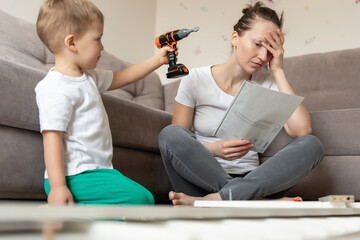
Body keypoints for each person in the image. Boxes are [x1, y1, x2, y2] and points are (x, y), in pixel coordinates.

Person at [158, 2, 324, 206]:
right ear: (235, 38)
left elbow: (302, 130)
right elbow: (178, 144)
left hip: (251, 180)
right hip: (200, 183)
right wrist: (216, 149)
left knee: (312, 145)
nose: (263, 57)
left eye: (271, 50)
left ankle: (223, 199)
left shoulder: (268, 83)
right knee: (169, 134)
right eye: (258, 44)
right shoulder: (195, 79)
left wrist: (278, 70)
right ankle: (253, 201)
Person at [35, 0, 173, 205]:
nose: (102, 46)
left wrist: (156, 60)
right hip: (74, 175)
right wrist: (58, 187)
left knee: (144, 199)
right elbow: (52, 138)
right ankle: (69, 218)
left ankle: (79, 218)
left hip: (99, 170)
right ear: (72, 43)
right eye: (97, 39)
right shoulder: (55, 87)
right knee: (142, 200)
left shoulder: (89, 77)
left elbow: (125, 75)